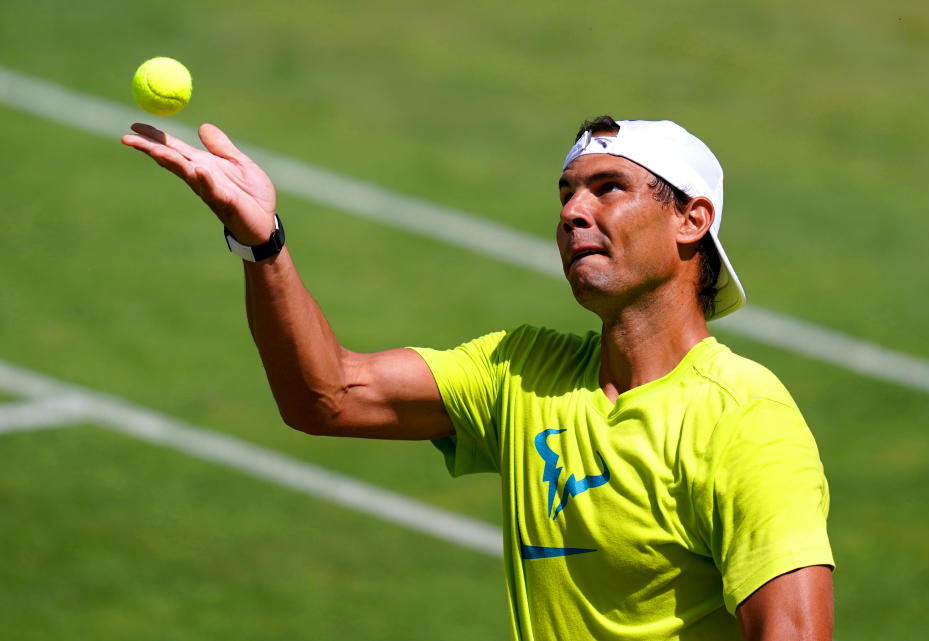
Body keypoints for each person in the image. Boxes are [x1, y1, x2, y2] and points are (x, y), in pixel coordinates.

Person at [122, 116, 834, 641]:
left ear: (691, 219)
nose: (571, 212)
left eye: (607, 188)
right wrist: (260, 243)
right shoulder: (522, 372)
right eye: (565, 194)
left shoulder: (745, 417)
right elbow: (327, 395)